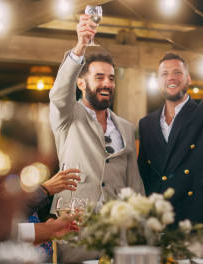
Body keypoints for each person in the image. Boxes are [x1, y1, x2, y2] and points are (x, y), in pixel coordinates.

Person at [137, 28, 203, 229]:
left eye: (178, 72)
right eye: (165, 74)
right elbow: (145, 172)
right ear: (159, 82)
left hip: (200, 219)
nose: (171, 78)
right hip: (160, 221)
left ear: (188, 79)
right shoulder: (146, 123)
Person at [48, 14, 144, 209]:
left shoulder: (126, 128)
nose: (107, 83)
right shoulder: (67, 117)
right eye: (99, 77)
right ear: (81, 83)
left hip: (116, 225)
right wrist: (80, 46)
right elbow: (59, 94)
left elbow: (134, 181)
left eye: (111, 78)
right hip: (72, 221)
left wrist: (143, 219)